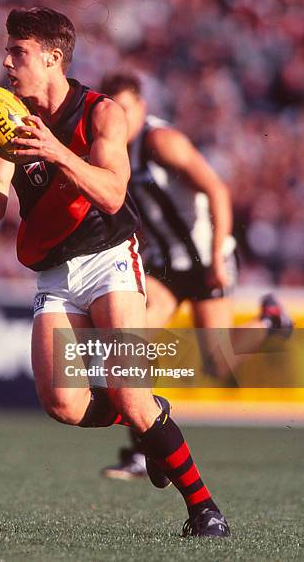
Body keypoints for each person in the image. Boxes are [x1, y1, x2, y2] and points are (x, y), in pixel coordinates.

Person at [0, 7, 230, 537]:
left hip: (111, 258)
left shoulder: (102, 113)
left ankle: (204, 509)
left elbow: (112, 193)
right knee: (62, 404)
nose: (6, 61)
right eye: (7, 50)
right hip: (54, 275)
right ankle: (154, 426)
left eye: (18, 52)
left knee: (129, 394)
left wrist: (55, 151)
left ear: (52, 58)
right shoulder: (7, 116)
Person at [98, 72, 293, 481]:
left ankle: (270, 320)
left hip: (204, 261)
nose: (122, 118)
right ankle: (142, 448)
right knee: (134, 345)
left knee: (218, 362)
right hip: (164, 266)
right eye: (115, 110)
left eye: (128, 109)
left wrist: (220, 252)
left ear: (143, 108)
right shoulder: (110, 147)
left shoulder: (161, 142)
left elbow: (217, 190)